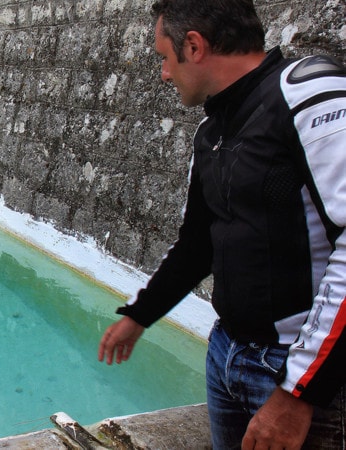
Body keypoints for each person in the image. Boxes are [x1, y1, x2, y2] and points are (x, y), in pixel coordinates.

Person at [97, 0, 346, 448]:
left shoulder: (307, 97)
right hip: (226, 352)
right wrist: (140, 315)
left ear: (193, 46)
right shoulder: (212, 133)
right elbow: (198, 244)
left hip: (292, 368)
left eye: (163, 58)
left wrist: (298, 393)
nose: (164, 74)